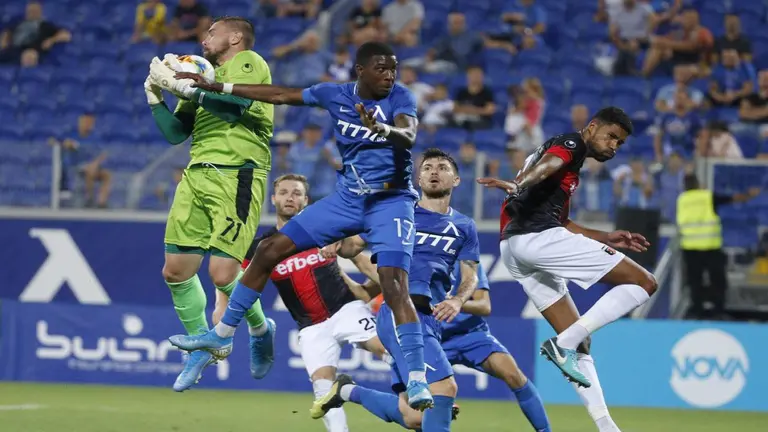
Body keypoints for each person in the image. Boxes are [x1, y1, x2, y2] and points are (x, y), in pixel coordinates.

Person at [167, 42, 434, 410]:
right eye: (381, 68)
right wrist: (218, 86)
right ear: (360, 70)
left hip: (391, 202)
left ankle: (418, 379)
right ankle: (222, 335)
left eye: (393, 68)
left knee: (393, 283)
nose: (390, 75)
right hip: (348, 199)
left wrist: (381, 128)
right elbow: (280, 94)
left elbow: (409, 135)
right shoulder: (334, 94)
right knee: (268, 249)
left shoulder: (401, 97)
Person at [477, 107, 657, 432]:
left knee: (580, 342)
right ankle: (564, 344)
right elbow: (550, 163)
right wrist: (518, 184)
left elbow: (562, 222)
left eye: (620, 143)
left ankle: (607, 426)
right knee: (644, 282)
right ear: (592, 127)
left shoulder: (566, 172)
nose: (614, 146)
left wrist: (607, 237)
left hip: (514, 247)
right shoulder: (572, 144)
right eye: (611, 136)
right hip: (536, 239)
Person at [144, 17, 275, 392]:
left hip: (237, 174)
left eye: (212, 33)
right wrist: (155, 96)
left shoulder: (248, 61)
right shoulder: (204, 77)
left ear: (235, 37)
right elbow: (176, 134)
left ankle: (260, 328)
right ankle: (201, 346)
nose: (204, 39)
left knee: (222, 273)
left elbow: (235, 107)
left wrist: (185, 88)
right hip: (195, 176)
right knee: (175, 271)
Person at [311, 148, 481, 432]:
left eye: (442, 167)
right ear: (418, 178)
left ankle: (347, 390)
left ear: (456, 179)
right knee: (445, 388)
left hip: (431, 318)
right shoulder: (399, 214)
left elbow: (471, 275)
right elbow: (353, 245)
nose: (434, 171)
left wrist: (458, 299)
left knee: (414, 417)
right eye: (427, 167)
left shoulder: (464, 226)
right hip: (399, 312)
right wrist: (336, 240)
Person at [216, 173, 387, 432]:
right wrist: (221, 304)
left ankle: (422, 394)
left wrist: (396, 287)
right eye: (284, 192)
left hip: (345, 309)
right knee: (323, 391)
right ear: (273, 199)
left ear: (306, 200)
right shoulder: (264, 247)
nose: (290, 198)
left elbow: (365, 265)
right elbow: (231, 278)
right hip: (310, 328)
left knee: (385, 348)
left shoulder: (326, 231)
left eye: (296, 193)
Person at [677, 175, 759, 320]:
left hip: (690, 247)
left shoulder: (682, 200)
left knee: (694, 281)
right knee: (718, 280)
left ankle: (697, 311)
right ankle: (718, 310)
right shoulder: (707, 196)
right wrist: (748, 195)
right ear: (698, 184)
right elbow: (732, 198)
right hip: (710, 246)